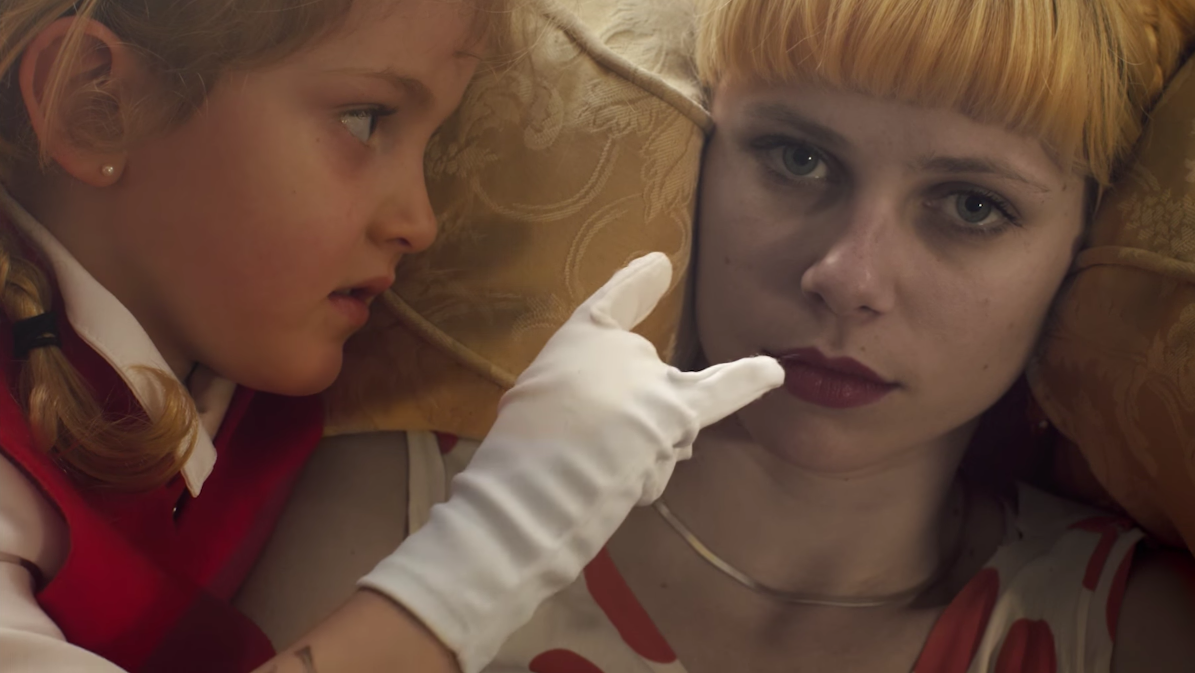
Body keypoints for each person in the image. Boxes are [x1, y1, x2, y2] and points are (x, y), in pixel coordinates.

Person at [476, 0, 1195, 671]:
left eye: (972, 206)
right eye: (798, 159)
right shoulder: (436, 508)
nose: (849, 278)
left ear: (1085, 245)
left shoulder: (1129, 637)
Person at [0, 1, 784, 672]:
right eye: (365, 118)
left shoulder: (251, 376)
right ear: (93, 105)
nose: (421, 222)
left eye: (434, 144)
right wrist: (504, 534)